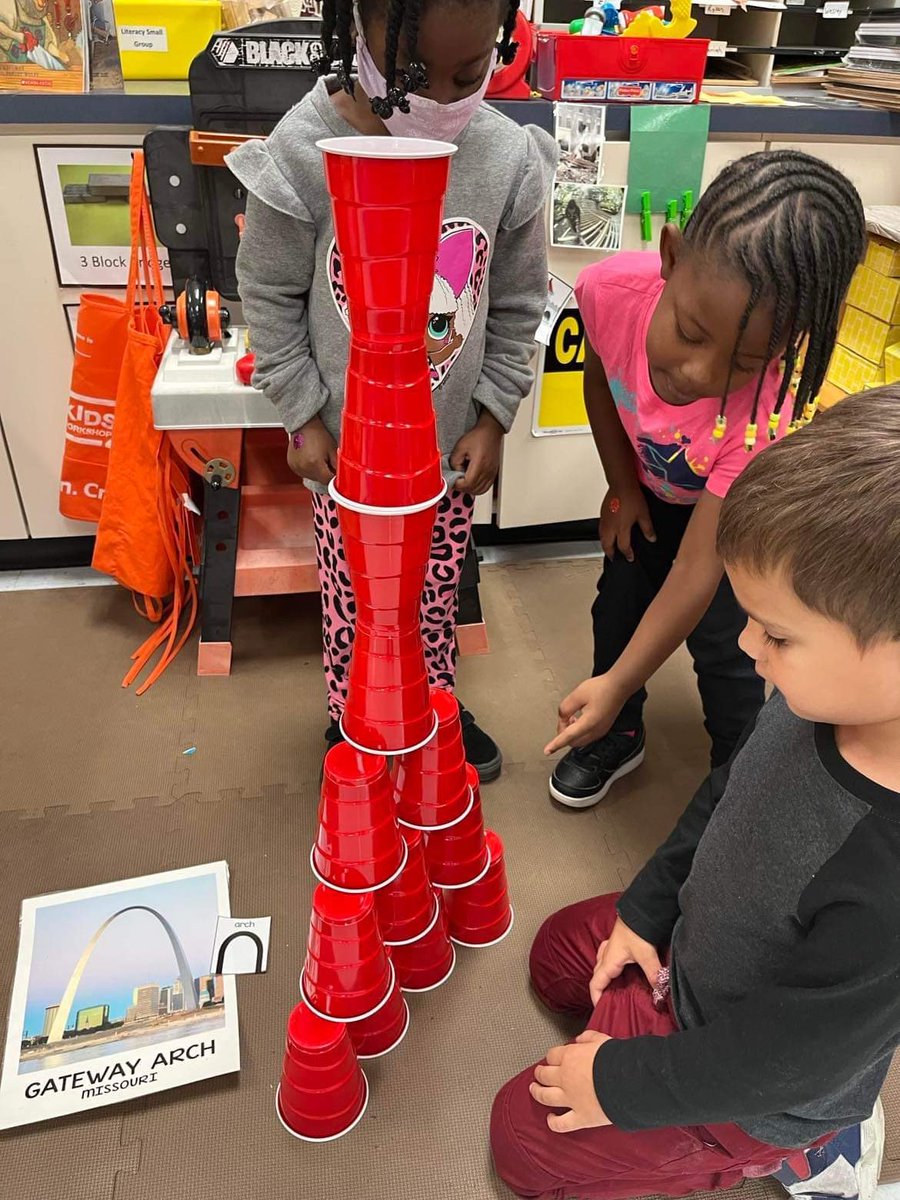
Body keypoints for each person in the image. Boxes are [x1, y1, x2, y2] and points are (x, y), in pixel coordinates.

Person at [492, 386, 900, 1200]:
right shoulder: (811, 696)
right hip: (703, 952)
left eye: (776, 634)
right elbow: (728, 796)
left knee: (522, 1139)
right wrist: (647, 911)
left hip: (766, 1081)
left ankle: (802, 1150)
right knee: (560, 956)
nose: (746, 646)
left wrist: (622, 1085)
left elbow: (786, 1056)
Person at [228, 0, 556, 781]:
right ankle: (354, 720)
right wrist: (303, 414)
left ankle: (432, 707)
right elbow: (267, 296)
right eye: (410, 80)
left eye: (468, 75)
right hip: (352, 468)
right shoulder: (305, 149)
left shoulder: (505, 159)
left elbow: (517, 303)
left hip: (444, 460)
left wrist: (495, 415)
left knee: (435, 598)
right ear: (359, 39)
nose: (441, 100)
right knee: (358, 609)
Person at [546, 150, 865, 808]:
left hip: (735, 522)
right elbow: (599, 379)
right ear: (670, 255)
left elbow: (698, 571)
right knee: (619, 605)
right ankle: (619, 727)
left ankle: (736, 774)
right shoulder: (606, 290)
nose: (699, 374)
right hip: (651, 496)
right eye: (690, 332)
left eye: (743, 362)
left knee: (728, 649)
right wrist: (622, 486)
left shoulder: (767, 408)